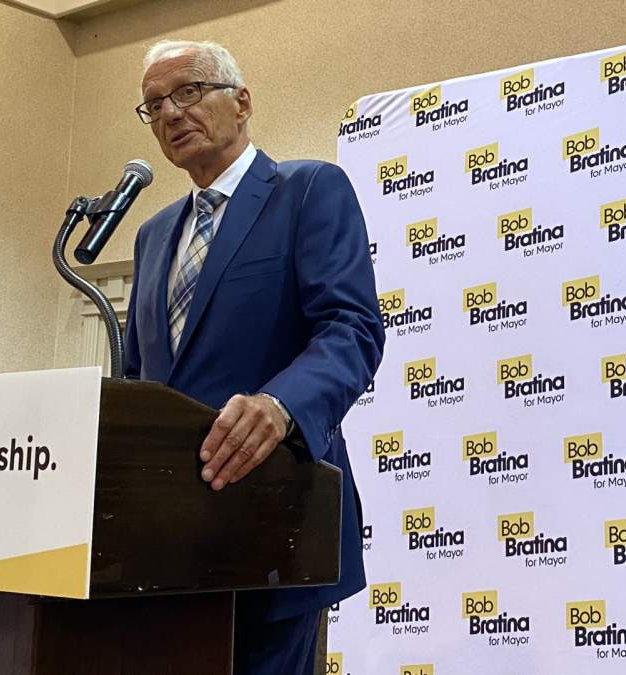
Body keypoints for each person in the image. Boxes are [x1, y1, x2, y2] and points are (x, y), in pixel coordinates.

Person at [124, 40, 384, 675]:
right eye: (154, 104)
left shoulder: (309, 189)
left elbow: (351, 328)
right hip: (166, 540)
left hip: (275, 519)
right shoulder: (152, 235)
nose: (170, 113)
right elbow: (137, 373)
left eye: (188, 92)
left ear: (241, 102)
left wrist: (280, 404)